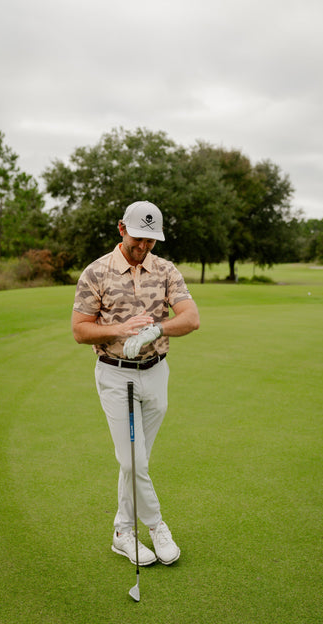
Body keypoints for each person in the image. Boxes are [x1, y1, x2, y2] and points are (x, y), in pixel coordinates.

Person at [72, 200, 200, 566]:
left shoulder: (165, 270)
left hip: (157, 373)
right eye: (138, 239)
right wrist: (118, 329)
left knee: (136, 461)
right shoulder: (95, 273)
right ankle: (157, 525)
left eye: (151, 241)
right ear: (121, 229)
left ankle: (122, 532)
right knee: (132, 459)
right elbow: (80, 330)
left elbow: (191, 318)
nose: (143, 247)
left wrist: (156, 330)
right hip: (116, 374)